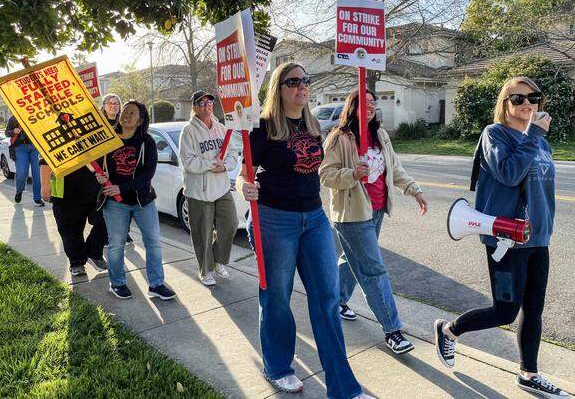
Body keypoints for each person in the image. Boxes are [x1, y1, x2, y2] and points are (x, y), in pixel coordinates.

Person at [237, 62, 370, 399]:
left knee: (326, 299)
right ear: (278, 88)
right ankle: (278, 367)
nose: (301, 87)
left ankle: (344, 388)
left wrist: (356, 169)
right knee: (277, 297)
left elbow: (318, 170)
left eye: (305, 81)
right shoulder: (261, 128)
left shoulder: (313, 125)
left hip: (314, 218)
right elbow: (244, 174)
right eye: (293, 81)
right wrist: (244, 187)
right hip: (274, 219)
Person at [434, 77, 569, 399]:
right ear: (504, 104)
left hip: (537, 238)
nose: (527, 104)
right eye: (517, 98)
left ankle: (529, 374)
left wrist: (545, 227)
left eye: (533, 98)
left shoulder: (541, 142)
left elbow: (543, 191)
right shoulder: (494, 134)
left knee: (534, 308)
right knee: (506, 310)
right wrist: (534, 134)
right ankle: (449, 330)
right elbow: (509, 173)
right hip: (507, 239)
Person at [320, 89, 428, 355]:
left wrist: (414, 190)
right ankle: (392, 330)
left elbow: (396, 168)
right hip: (352, 214)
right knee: (374, 270)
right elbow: (325, 175)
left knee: (351, 259)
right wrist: (352, 174)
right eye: (363, 102)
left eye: (373, 103)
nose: (369, 106)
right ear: (352, 106)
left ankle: (337, 302)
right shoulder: (339, 138)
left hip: (377, 210)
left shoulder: (380, 135)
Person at [96, 100, 176, 301]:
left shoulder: (146, 141)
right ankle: (117, 284)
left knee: (153, 242)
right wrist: (99, 177)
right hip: (115, 202)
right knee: (116, 244)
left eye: (132, 113)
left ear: (140, 121)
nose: (126, 115)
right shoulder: (107, 139)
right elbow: (97, 166)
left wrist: (121, 187)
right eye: (125, 111)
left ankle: (156, 284)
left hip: (143, 201)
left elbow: (147, 174)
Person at [179, 91, 239, 286]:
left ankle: (218, 261)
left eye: (210, 102)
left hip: (221, 187)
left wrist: (226, 166)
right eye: (202, 103)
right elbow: (188, 161)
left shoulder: (221, 128)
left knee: (230, 223)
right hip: (199, 191)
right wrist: (212, 164)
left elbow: (232, 153)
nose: (207, 106)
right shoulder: (188, 131)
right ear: (194, 107)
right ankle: (205, 270)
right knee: (202, 233)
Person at [40, 159, 108, 277]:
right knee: (70, 232)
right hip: (65, 195)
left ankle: (93, 252)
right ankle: (76, 262)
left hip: (96, 192)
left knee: (106, 223)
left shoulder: (96, 139)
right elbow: (45, 161)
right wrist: (45, 185)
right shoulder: (57, 140)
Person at [100, 93, 134, 247]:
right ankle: (108, 234)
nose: (113, 105)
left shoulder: (124, 123)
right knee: (108, 203)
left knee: (125, 201)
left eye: (116, 103)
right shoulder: (99, 123)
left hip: (121, 167)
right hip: (103, 169)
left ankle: (125, 232)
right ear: (104, 105)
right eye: (110, 103)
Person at [5, 115, 44, 206]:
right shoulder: (13, 118)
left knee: (37, 174)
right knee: (22, 173)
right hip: (20, 147)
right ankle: (19, 191)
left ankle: (37, 198)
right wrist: (13, 131)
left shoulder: (36, 114)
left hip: (35, 147)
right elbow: (7, 132)